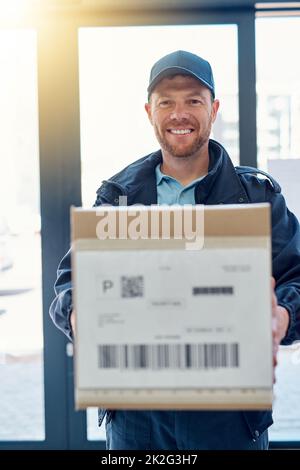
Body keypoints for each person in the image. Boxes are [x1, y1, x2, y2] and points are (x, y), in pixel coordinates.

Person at [50, 50, 300, 450]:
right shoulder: (118, 198)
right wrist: (81, 314)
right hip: (136, 417)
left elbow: (297, 277)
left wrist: (282, 317)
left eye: (193, 101)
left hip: (229, 414)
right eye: (166, 102)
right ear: (149, 111)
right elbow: (70, 282)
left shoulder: (254, 196)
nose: (178, 114)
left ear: (214, 109)